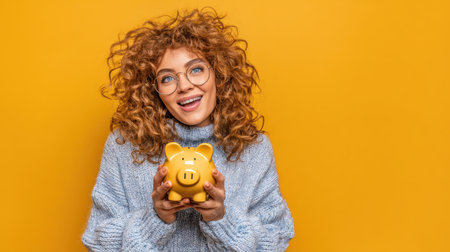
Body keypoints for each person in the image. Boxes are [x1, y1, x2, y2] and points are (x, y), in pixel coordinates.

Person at [82, 7, 295, 251]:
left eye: (196, 69)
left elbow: (276, 238)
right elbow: (97, 243)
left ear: (219, 74)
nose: (184, 85)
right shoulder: (124, 146)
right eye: (167, 78)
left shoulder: (253, 148)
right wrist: (155, 218)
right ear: (154, 92)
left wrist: (220, 218)